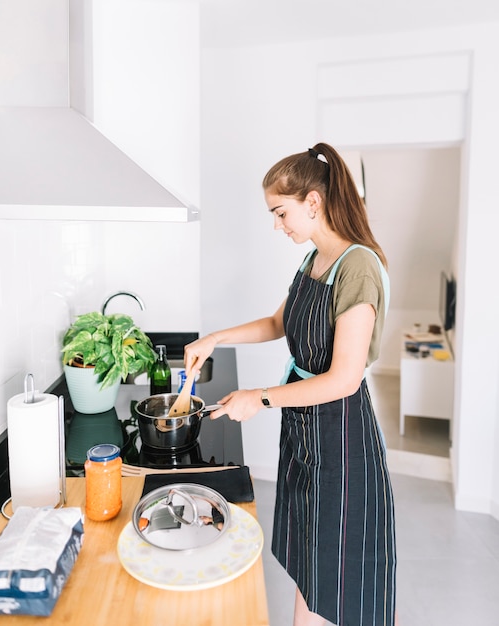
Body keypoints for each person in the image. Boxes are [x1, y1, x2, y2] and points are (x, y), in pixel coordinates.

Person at [184, 142, 396, 626]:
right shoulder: (315, 259)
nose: (278, 225)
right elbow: (278, 323)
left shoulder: (358, 266)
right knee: (312, 565)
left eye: (281, 213)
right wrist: (216, 337)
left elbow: (343, 379)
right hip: (305, 428)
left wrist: (259, 397)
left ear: (314, 203)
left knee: (343, 573)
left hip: (341, 437)